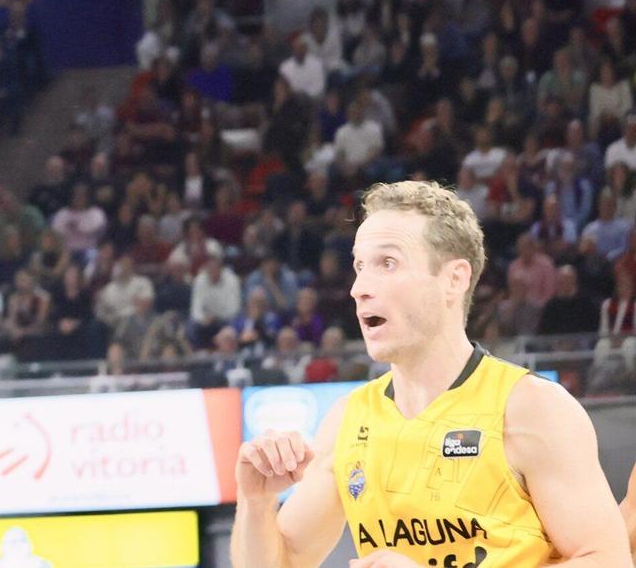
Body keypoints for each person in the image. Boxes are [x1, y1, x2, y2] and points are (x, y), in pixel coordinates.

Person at [232, 180, 628, 567]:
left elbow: (607, 559)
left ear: (454, 279)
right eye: (358, 267)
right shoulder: (349, 421)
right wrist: (256, 502)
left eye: (387, 263)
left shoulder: (531, 407)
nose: (359, 288)